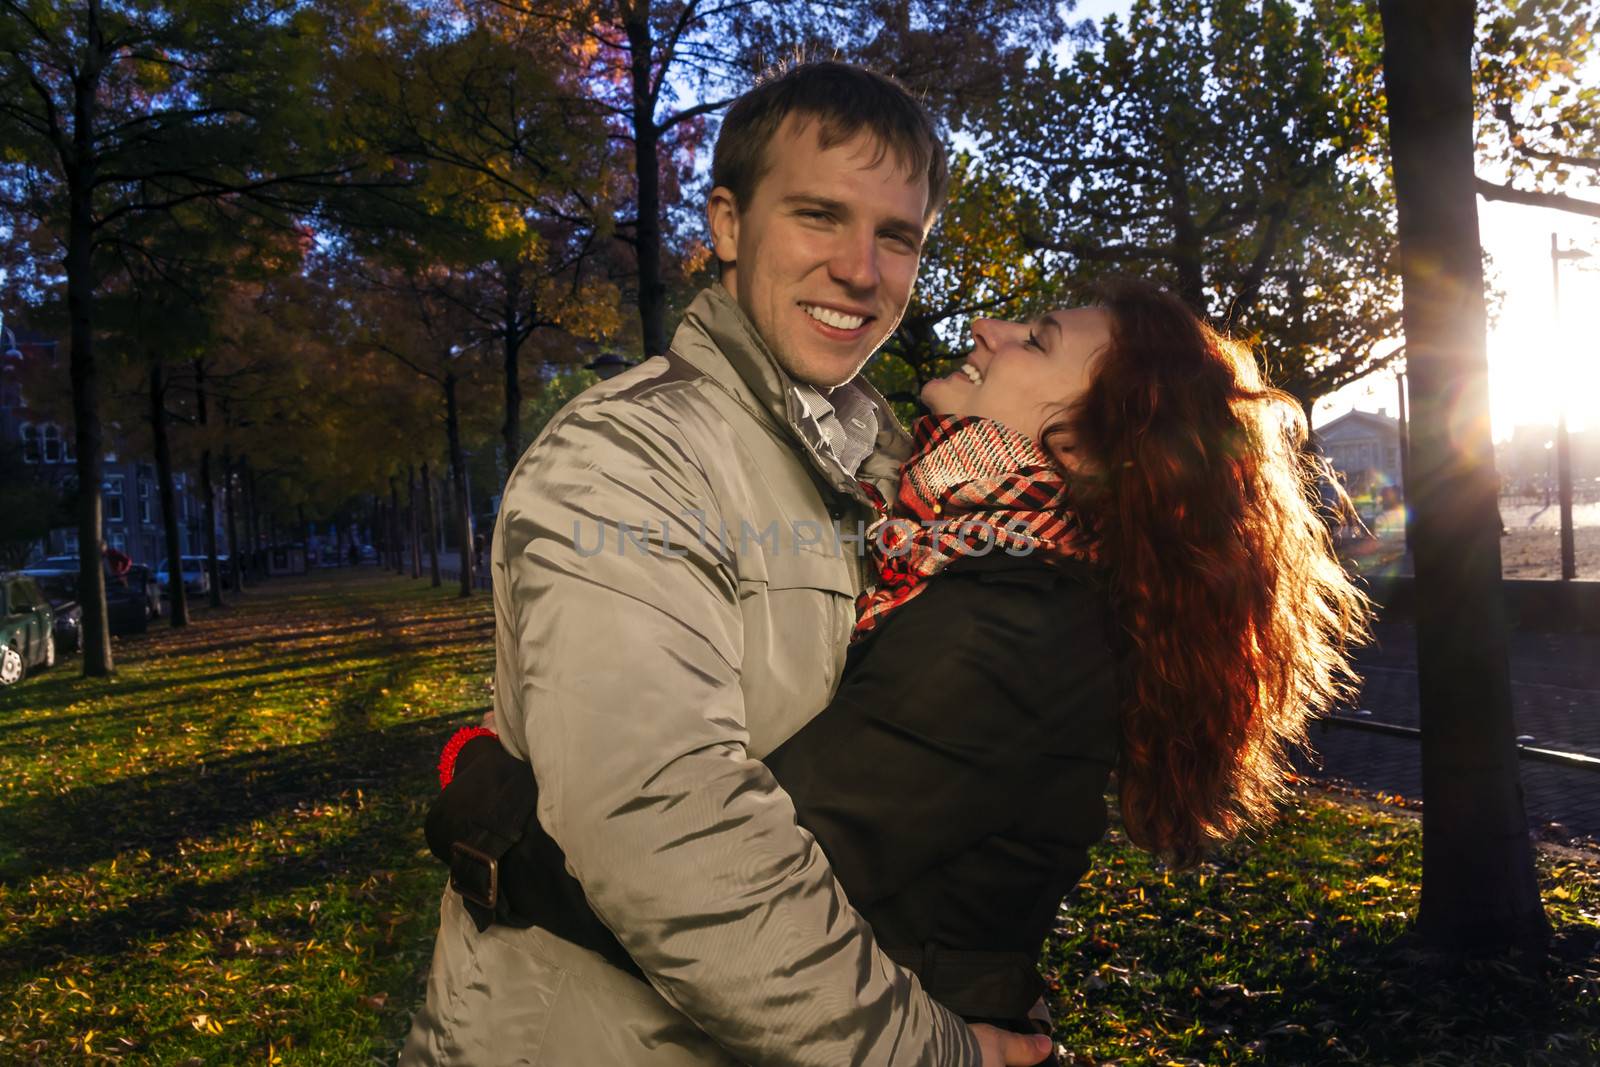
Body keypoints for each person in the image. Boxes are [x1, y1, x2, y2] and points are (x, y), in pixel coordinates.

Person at [427, 280, 1372, 1061]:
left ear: (1077, 446)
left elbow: (726, 896)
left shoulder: (1014, 628)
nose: (989, 330)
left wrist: (485, 811)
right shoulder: (963, 556)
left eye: (1035, 341)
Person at [401, 62, 1054, 1067]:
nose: (860, 271)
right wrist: (931, 1051)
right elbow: (666, 824)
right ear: (728, 225)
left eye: (897, 238)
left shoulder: (898, 474)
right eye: (818, 216)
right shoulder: (626, 458)